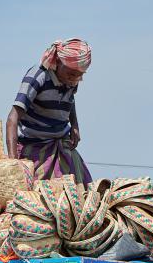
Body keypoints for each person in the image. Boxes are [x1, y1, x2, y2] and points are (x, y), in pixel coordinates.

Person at [6, 38, 93, 183]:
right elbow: (12, 118)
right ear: (58, 62)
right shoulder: (38, 76)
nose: (75, 79)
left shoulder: (71, 79)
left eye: (79, 75)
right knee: (39, 195)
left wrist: (75, 125)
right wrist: (13, 163)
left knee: (83, 189)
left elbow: (69, 99)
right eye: (71, 74)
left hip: (61, 144)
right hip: (34, 147)